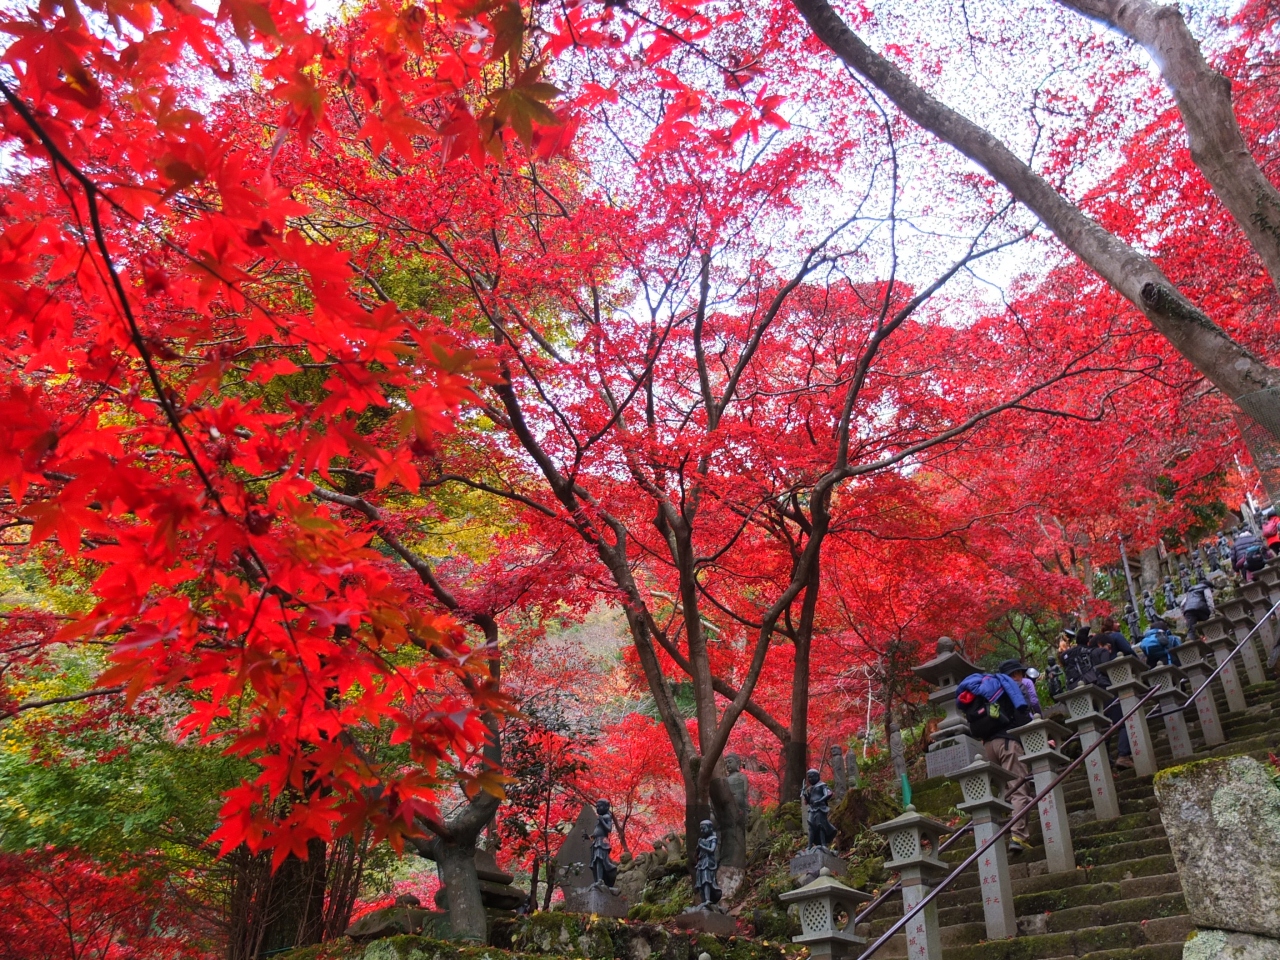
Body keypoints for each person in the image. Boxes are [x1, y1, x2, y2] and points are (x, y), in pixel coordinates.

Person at [956, 668, 1034, 854]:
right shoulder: (1007, 687)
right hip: (1008, 742)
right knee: (1019, 789)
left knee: (1003, 792)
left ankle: (997, 836)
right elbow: (1021, 714)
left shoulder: (979, 693)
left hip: (988, 746)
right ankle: (1018, 836)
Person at [800, 769, 837, 849]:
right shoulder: (810, 788)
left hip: (820, 808)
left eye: (812, 777)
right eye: (809, 778)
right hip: (812, 808)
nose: (810, 779)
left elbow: (828, 794)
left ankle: (823, 844)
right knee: (811, 826)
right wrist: (805, 795)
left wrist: (820, 800)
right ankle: (809, 845)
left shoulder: (822, 785)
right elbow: (809, 800)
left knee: (821, 825)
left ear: (817, 776)